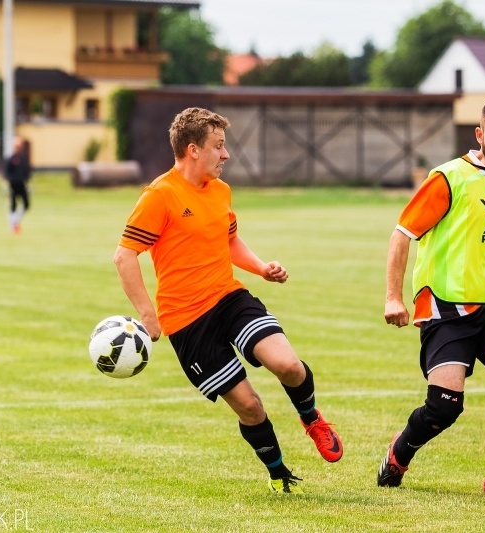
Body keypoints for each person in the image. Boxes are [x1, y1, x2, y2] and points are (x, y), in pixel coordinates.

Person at [113, 107, 343, 495]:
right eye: (218, 146)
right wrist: (148, 316)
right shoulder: (160, 196)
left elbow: (229, 239)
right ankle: (279, 474)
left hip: (229, 297)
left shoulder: (221, 191)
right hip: (187, 322)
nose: (226, 154)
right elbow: (124, 256)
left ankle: (312, 419)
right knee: (250, 406)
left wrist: (260, 267)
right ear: (192, 150)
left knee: (287, 365)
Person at [378, 97, 485, 497]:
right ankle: (399, 453)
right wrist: (393, 297)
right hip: (447, 310)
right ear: (480, 134)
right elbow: (402, 234)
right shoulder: (448, 177)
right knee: (444, 408)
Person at [3, 136, 31, 234]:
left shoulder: (24, 158)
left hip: (22, 184)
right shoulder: (11, 158)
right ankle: (12, 225)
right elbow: (6, 172)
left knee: (26, 205)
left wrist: (28, 181)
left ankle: (16, 220)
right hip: (13, 184)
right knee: (13, 205)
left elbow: (27, 171)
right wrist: (8, 181)